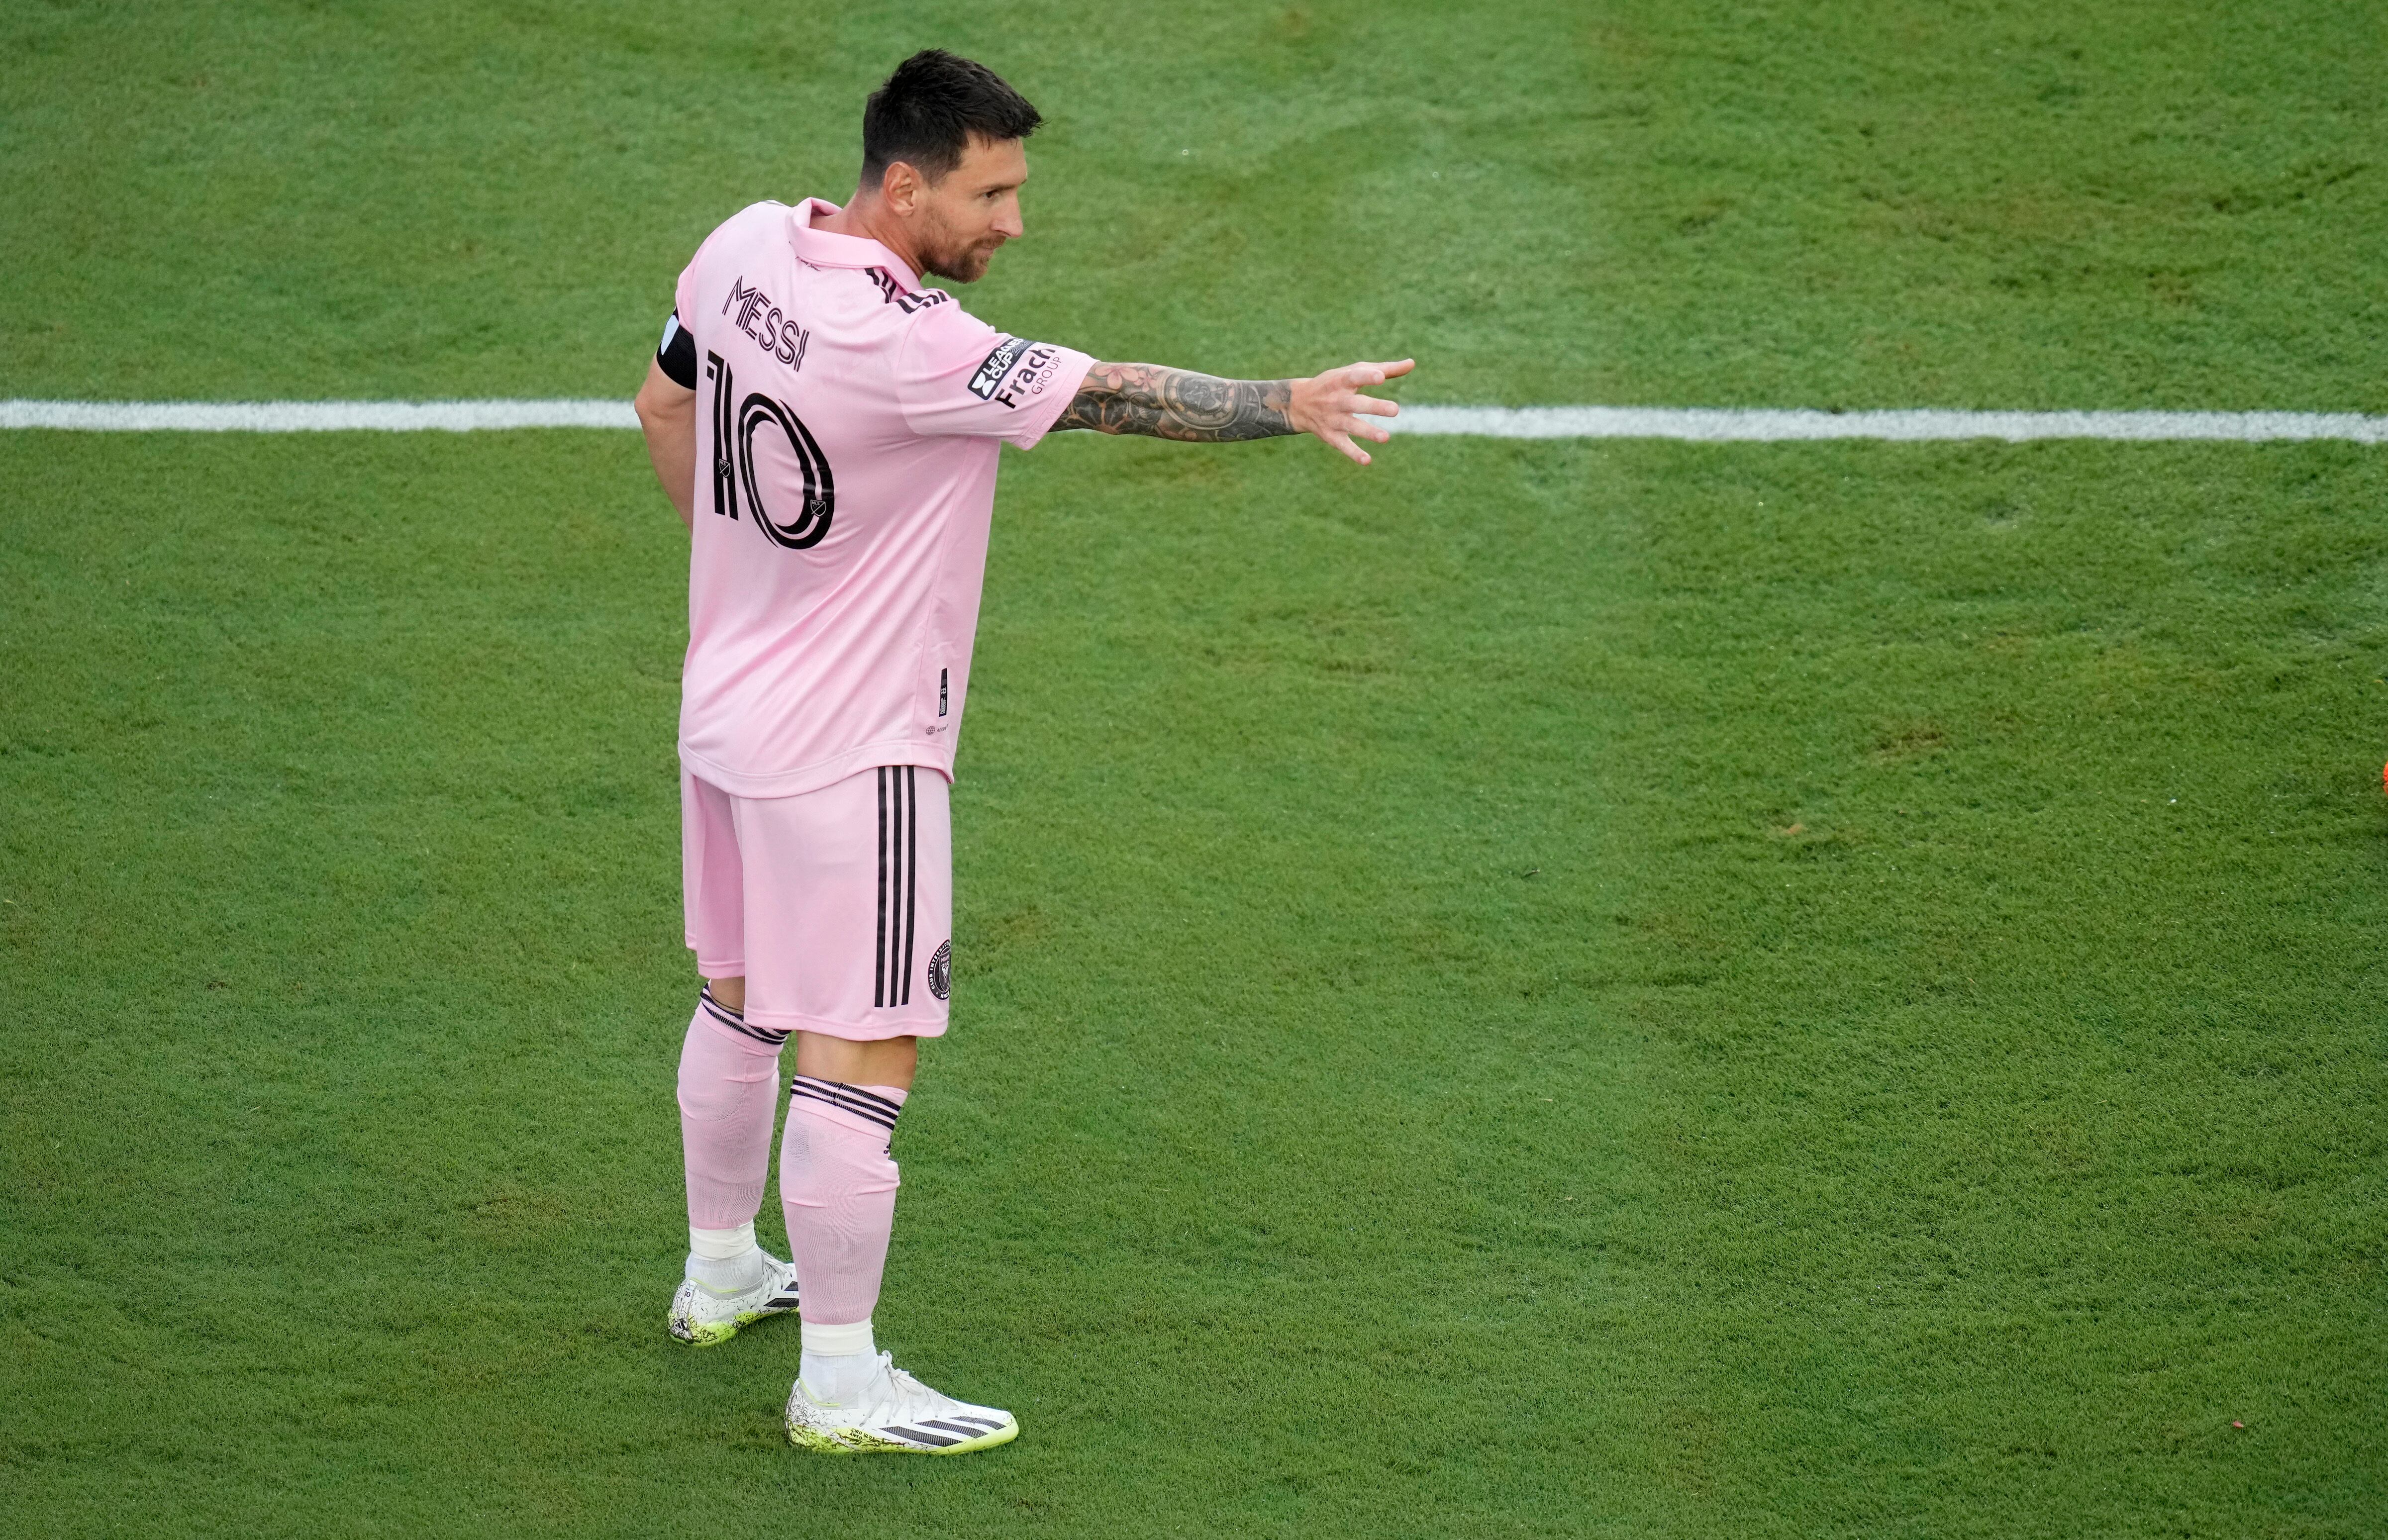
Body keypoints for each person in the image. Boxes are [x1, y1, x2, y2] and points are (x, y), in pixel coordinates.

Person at [632, 47, 1411, 1456]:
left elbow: (662, 404)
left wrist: (752, 582)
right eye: (990, 196)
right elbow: (1109, 394)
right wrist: (1288, 401)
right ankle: (841, 1383)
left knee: (739, 998)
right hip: (854, 755)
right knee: (863, 1055)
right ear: (906, 184)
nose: (1014, 223)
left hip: (724, 714)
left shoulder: (743, 247)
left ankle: (720, 1269)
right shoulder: (914, 344)